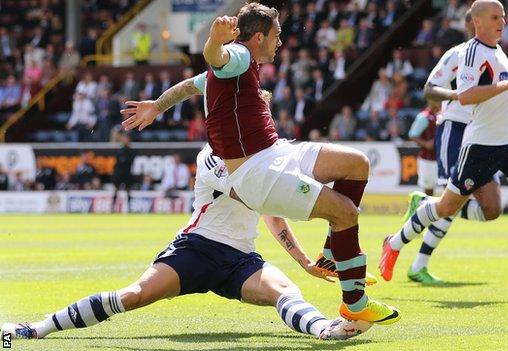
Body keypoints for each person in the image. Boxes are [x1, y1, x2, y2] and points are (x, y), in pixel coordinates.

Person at [122, 3, 400, 326]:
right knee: (346, 213)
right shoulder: (238, 57)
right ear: (257, 37)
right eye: (276, 36)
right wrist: (214, 41)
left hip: (277, 151)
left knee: (357, 164)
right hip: (258, 171)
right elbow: (216, 56)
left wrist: (156, 105)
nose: (280, 42)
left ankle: (334, 254)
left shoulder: (240, 66)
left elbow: (190, 84)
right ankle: (355, 303)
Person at [1, 144, 371, 341]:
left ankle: (328, 329)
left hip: (241, 259)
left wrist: (305, 262)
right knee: (133, 297)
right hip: (196, 249)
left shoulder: (267, 158)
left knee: (286, 291)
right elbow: (258, 198)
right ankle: (37, 327)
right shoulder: (211, 155)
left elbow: (271, 214)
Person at [386, 0, 508, 297]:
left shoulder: (498, 50)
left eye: (503, 16)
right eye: (495, 17)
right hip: (477, 142)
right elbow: (462, 96)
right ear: (475, 22)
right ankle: (396, 244)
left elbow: (494, 85)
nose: (502, 22)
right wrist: (506, 89)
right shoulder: (468, 52)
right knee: (445, 207)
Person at [379, 9, 504, 284]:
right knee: (451, 203)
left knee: (492, 209)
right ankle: (417, 264)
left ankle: (424, 203)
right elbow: (429, 90)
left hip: (485, 133)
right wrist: (456, 95)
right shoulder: (456, 54)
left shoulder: (498, 55)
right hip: (456, 129)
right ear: (472, 23)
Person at [407, 101, 440, 196]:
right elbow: (412, 135)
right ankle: (427, 209)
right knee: (429, 189)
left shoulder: (444, 114)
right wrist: (425, 144)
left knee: (447, 187)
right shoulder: (424, 117)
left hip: (442, 159)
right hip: (428, 160)